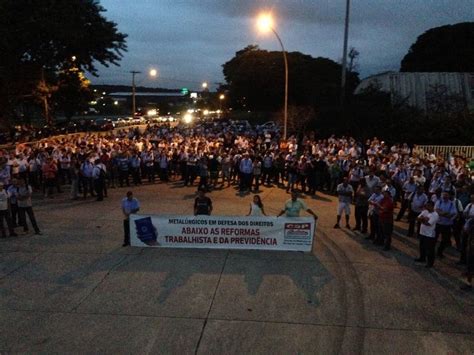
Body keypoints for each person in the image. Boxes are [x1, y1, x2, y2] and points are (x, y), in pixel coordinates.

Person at [414, 201, 440, 268]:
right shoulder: (425, 211)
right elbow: (417, 218)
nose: (426, 207)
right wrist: (424, 219)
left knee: (430, 249)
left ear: (432, 206)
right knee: (422, 247)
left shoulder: (435, 214)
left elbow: (428, 223)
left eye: (428, 206)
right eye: (426, 205)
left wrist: (422, 219)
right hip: (422, 232)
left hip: (430, 234)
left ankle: (430, 263)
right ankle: (422, 258)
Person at [435, 191, 457, 258]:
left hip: (447, 225)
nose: (445, 196)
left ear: (449, 196)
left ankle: (440, 252)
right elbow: (437, 211)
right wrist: (446, 214)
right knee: (434, 238)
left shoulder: (452, 204)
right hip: (438, 223)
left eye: (446, 195)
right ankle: (431, 251)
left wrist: (442, 213)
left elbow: (452, 214)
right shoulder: (439, 202)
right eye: (444, 195)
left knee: (445, 240)